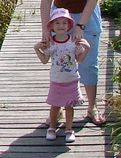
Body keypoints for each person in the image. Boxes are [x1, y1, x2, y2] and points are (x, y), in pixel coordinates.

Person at [39, 0, 106, 125]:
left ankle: (92, 107)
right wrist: (45, 28)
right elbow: (46, 0)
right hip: (61, 17)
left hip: (87, 15)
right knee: (61, 60)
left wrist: (81, 26)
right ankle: (58, 108)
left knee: (88, 62)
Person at [34, 8, 89, 143]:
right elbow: (44, 60)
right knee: (55, 105)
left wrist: (87, 48)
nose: (61, 26)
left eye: (64, 23)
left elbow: (79, 60)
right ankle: (52, 127)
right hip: (56, 80)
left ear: (69, 25)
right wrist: (37, 48)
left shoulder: (73, 42)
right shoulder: (50, 43)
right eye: (57, 23)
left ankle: (69, 129)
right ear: (52, 26)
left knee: (69, 107)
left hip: (72, 79)